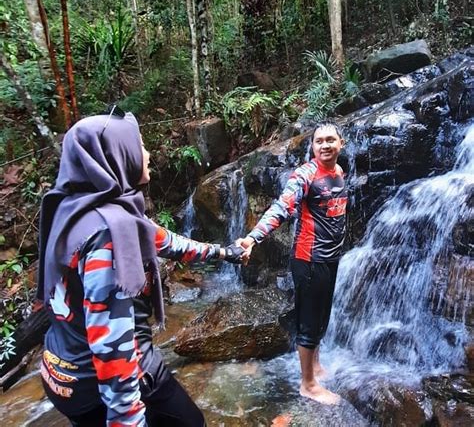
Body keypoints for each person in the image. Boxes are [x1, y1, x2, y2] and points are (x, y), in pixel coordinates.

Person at [37, 108, 244, 427]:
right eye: (138, 145)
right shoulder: (110, 234)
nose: (146, 154)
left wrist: (225, 252)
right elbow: (111, 346)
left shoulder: (72, 208)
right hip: (96, 380)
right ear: (116, 156)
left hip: (59, 370)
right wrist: (127, 418)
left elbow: (166, 242)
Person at [236, 121, 347, 405]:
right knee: (309, 321)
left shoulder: (338, 172)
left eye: (330, 140)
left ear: (340, 144)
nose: (325, 145)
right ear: (312, 147)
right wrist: (252, 238)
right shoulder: (305, 175)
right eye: (319, 141)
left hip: (330, 258)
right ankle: (308, 384)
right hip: (309, 259)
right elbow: (282, 208)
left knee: (322, 315)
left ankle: (317, 366)